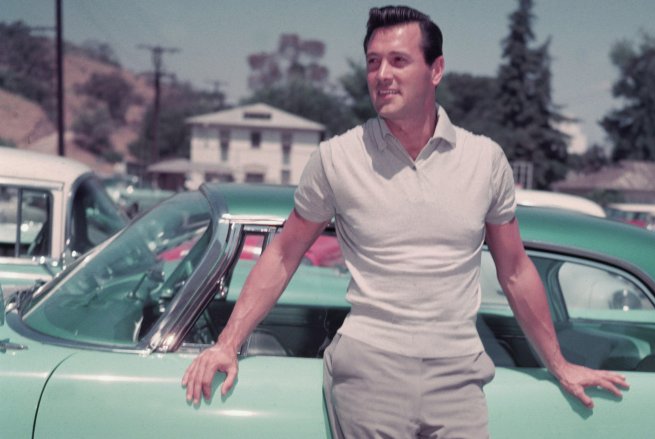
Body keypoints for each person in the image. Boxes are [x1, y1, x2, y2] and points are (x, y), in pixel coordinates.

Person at [182, 5, 629, 437]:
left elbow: (514, 269)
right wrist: (227, 343)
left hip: (459, 376)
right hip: (369, 371)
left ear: (436, 70)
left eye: (399, 60)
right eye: (373, 62)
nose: (383, 74)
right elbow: (283, 252)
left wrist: (559, 363)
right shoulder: (337, 157)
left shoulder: (485, 160)